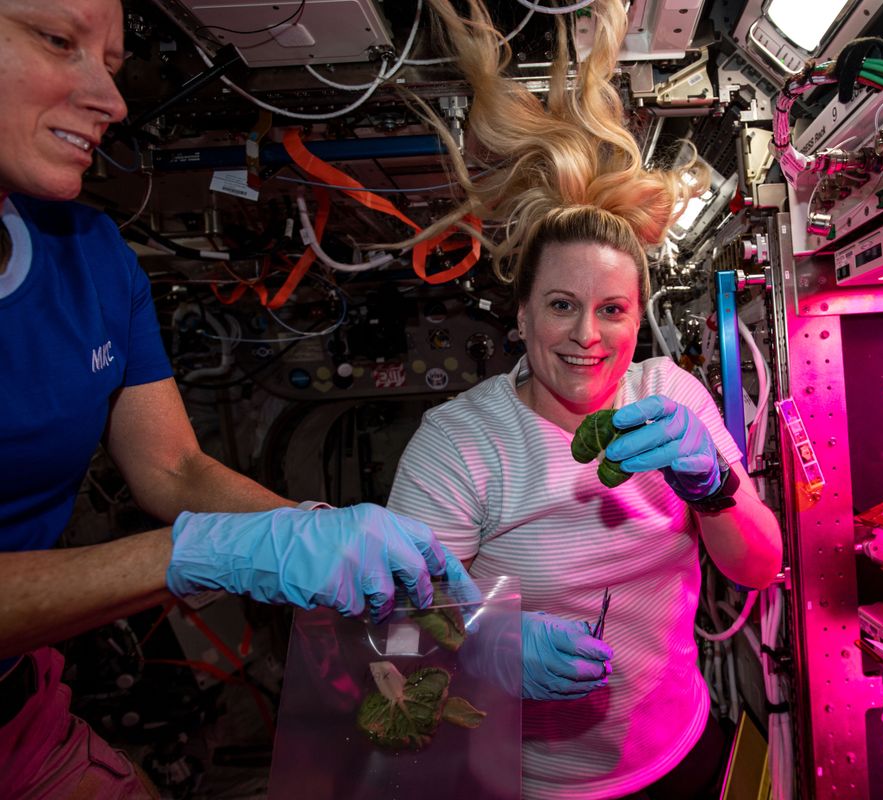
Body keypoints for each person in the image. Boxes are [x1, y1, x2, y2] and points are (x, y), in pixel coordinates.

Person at [0, 1, 472, 796]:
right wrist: (205, 554)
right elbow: (191, 530)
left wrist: (311, 530)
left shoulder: (88, 253)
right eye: (57, 41)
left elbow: (177, 469)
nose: (112, 102)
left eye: (114, 66)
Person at [386, 1, 784, 797]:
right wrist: (488, 641)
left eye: (612, 310)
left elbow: (762, 566)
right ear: (523, 312)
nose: (587, 337)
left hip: (682, 752)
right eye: (562, 305)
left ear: (641, 317)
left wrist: (715, 488)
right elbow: (398, 631)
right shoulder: (459, 442)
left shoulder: (668, 395)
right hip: (524, 778)